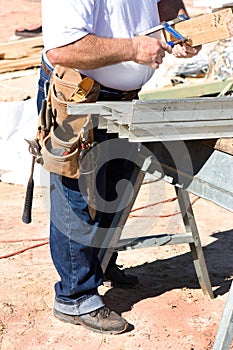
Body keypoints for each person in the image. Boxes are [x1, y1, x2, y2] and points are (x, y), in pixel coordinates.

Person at [37, 0, 201, 335]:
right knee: (74, 194)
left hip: (125, 96)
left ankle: (99, 262)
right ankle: (75, 296)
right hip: (77, 91)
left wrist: (178, 25)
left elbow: (165, 3)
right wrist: (133, 48)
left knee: (115, 189)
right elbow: (62, 49)